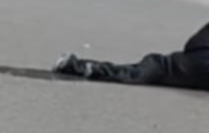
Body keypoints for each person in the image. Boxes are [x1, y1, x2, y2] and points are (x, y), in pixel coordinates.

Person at [54, 22, 209, 88]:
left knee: (136, 72)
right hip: (178, 68)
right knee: (136, 73)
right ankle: (81, 67)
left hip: (178, 65)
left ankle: (79, 67)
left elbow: (192, 45)